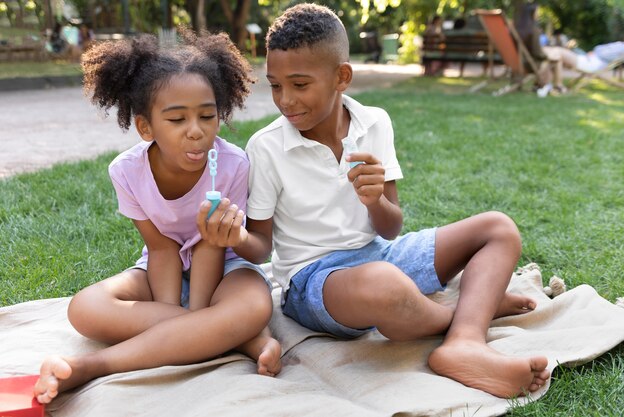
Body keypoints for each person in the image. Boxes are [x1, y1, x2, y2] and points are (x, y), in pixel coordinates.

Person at [233, 3, 550, 399]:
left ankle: (464, 341)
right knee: (387, 286)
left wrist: (373, 201)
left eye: (300, 85)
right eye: (275, 85)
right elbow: (261, 244)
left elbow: (391, 226)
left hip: (380, 253)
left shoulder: (375, 122)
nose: (286, 100)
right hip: (312, 282)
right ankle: (470, 311)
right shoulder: (266, 147)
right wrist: (235, 237)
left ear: (341, 77)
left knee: (498, 227)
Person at [34, 28, 281, 404]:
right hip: (160, 267)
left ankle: (88, 367)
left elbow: (211, 248)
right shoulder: (127, 171)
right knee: (84, 308)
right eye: (177, 120)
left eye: (207, 116)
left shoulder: (233, 165)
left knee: (254, 304)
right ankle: (237, 337)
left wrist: (200, 305)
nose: (196, 131)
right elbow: (162, 249)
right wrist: (191, 317)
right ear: (145, 126)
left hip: (226, 265)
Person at [514, 3, 566, 95]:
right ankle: (558, 86)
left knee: (551, 58)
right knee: (556, 59)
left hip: (517, 60)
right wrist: (547, 55)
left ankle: (539, 85)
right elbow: (537, 53)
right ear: (532, 14)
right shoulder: (533, 30)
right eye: (537, 12)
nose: (538, 15)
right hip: (529, 64)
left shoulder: (516, 28)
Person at [544, 39, 624, 73]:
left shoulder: (623, 48)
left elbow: (604, 54)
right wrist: (595, 52)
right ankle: (547, 84)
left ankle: (555, 85)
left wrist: (596, 52)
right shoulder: (620, 44)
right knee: (557, 53)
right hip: (589, 58)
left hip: (591, 63)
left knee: (558, 51)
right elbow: (599, 49)